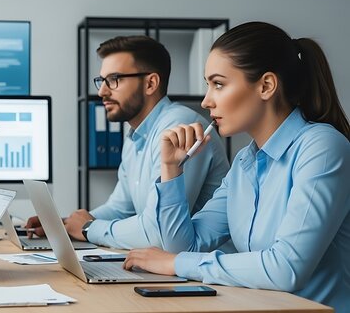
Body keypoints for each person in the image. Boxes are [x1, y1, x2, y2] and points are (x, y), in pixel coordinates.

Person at [122, 22, 350, 312]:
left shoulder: (323, 148)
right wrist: (171, 169)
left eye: (218, 84)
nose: (206, 101)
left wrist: (176, 263)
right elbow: (183, 248)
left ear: (266, 86)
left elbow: (286, 268)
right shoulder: (244, 162)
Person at [26, 36, 230, 249]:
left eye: (114, 79)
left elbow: (157, 231)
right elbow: (120, 208)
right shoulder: (135, 134)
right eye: (102, 81)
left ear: (150, 83)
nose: (102, 91)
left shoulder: (179, 127)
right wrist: (66, 225)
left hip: (200, 267)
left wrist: (88, 229)